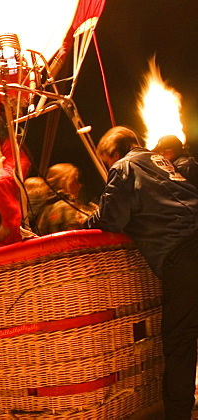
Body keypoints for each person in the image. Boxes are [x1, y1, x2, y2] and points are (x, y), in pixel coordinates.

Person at [84, 126, 198, 419]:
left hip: (183, 255)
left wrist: (86, 222)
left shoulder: (124, 166)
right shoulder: (162, 162)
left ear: (114, 152)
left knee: (180, 341)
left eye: (105, 160)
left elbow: (112, 219)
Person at [26, 163, 90, 235]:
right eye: (75, 180)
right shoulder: (67, 207)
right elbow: (75, 236)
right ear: (64, 183)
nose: (80, 185)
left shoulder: (45, 207)